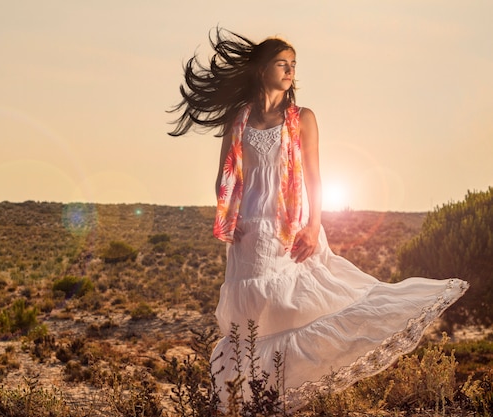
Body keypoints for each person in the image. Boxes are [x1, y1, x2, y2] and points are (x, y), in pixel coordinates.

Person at [169, 28, 469, 412]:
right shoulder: (238, 120)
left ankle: (282, 390)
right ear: (261, 69)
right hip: (248, 232)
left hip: (289, 226)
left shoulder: (302, 118)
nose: (290, 70)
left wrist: (313, 225)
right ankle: (247, 398)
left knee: (297, 305)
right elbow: (224, 174)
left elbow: (314, 177)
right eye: (282, 63)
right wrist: (229, 216)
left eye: (294, 65)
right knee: (250, 316)